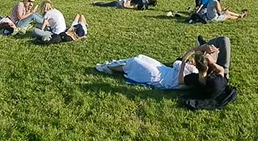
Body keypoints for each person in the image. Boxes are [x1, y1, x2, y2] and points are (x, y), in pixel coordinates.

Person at [95, 42, 227, 99]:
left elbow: (179, 78)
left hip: (161, 79)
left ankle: (108, 68)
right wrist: (211, 62)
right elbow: (221, 69)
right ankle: (113, 64)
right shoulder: (208, 75)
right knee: (141, 57)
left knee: (135, 62)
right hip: (164, 70)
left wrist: (184, 63)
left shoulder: (195, 76)